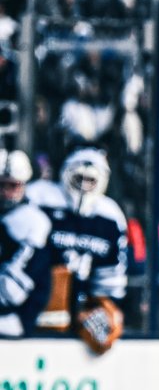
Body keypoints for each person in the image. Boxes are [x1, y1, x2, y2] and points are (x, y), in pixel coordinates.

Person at [25, 147, 129, 352]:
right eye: (79, 177)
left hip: (80, 311)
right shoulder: (40, 199)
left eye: (90, 180)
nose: (83, 185)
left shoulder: (110, 215)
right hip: (34, 307)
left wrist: (101, 306)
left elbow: (111, 273)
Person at [0, 149, 52, 338]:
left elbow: (15, 290)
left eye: (12, 186)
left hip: (15, 318)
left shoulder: (34, 223)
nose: (5, 193)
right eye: (1, 186)